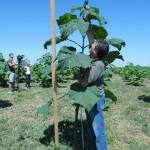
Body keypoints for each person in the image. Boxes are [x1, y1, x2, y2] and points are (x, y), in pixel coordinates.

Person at [76, 25, 109, 149]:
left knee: (98, 130)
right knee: (90, 127)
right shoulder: (94, 58)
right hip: (90, 97)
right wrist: (87, 15)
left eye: (93, 45)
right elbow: (90, 38)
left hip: (95, 99)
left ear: (95, 51)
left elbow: (84, 83)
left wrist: (78, 76)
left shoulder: (97, 65)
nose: (91, 44)